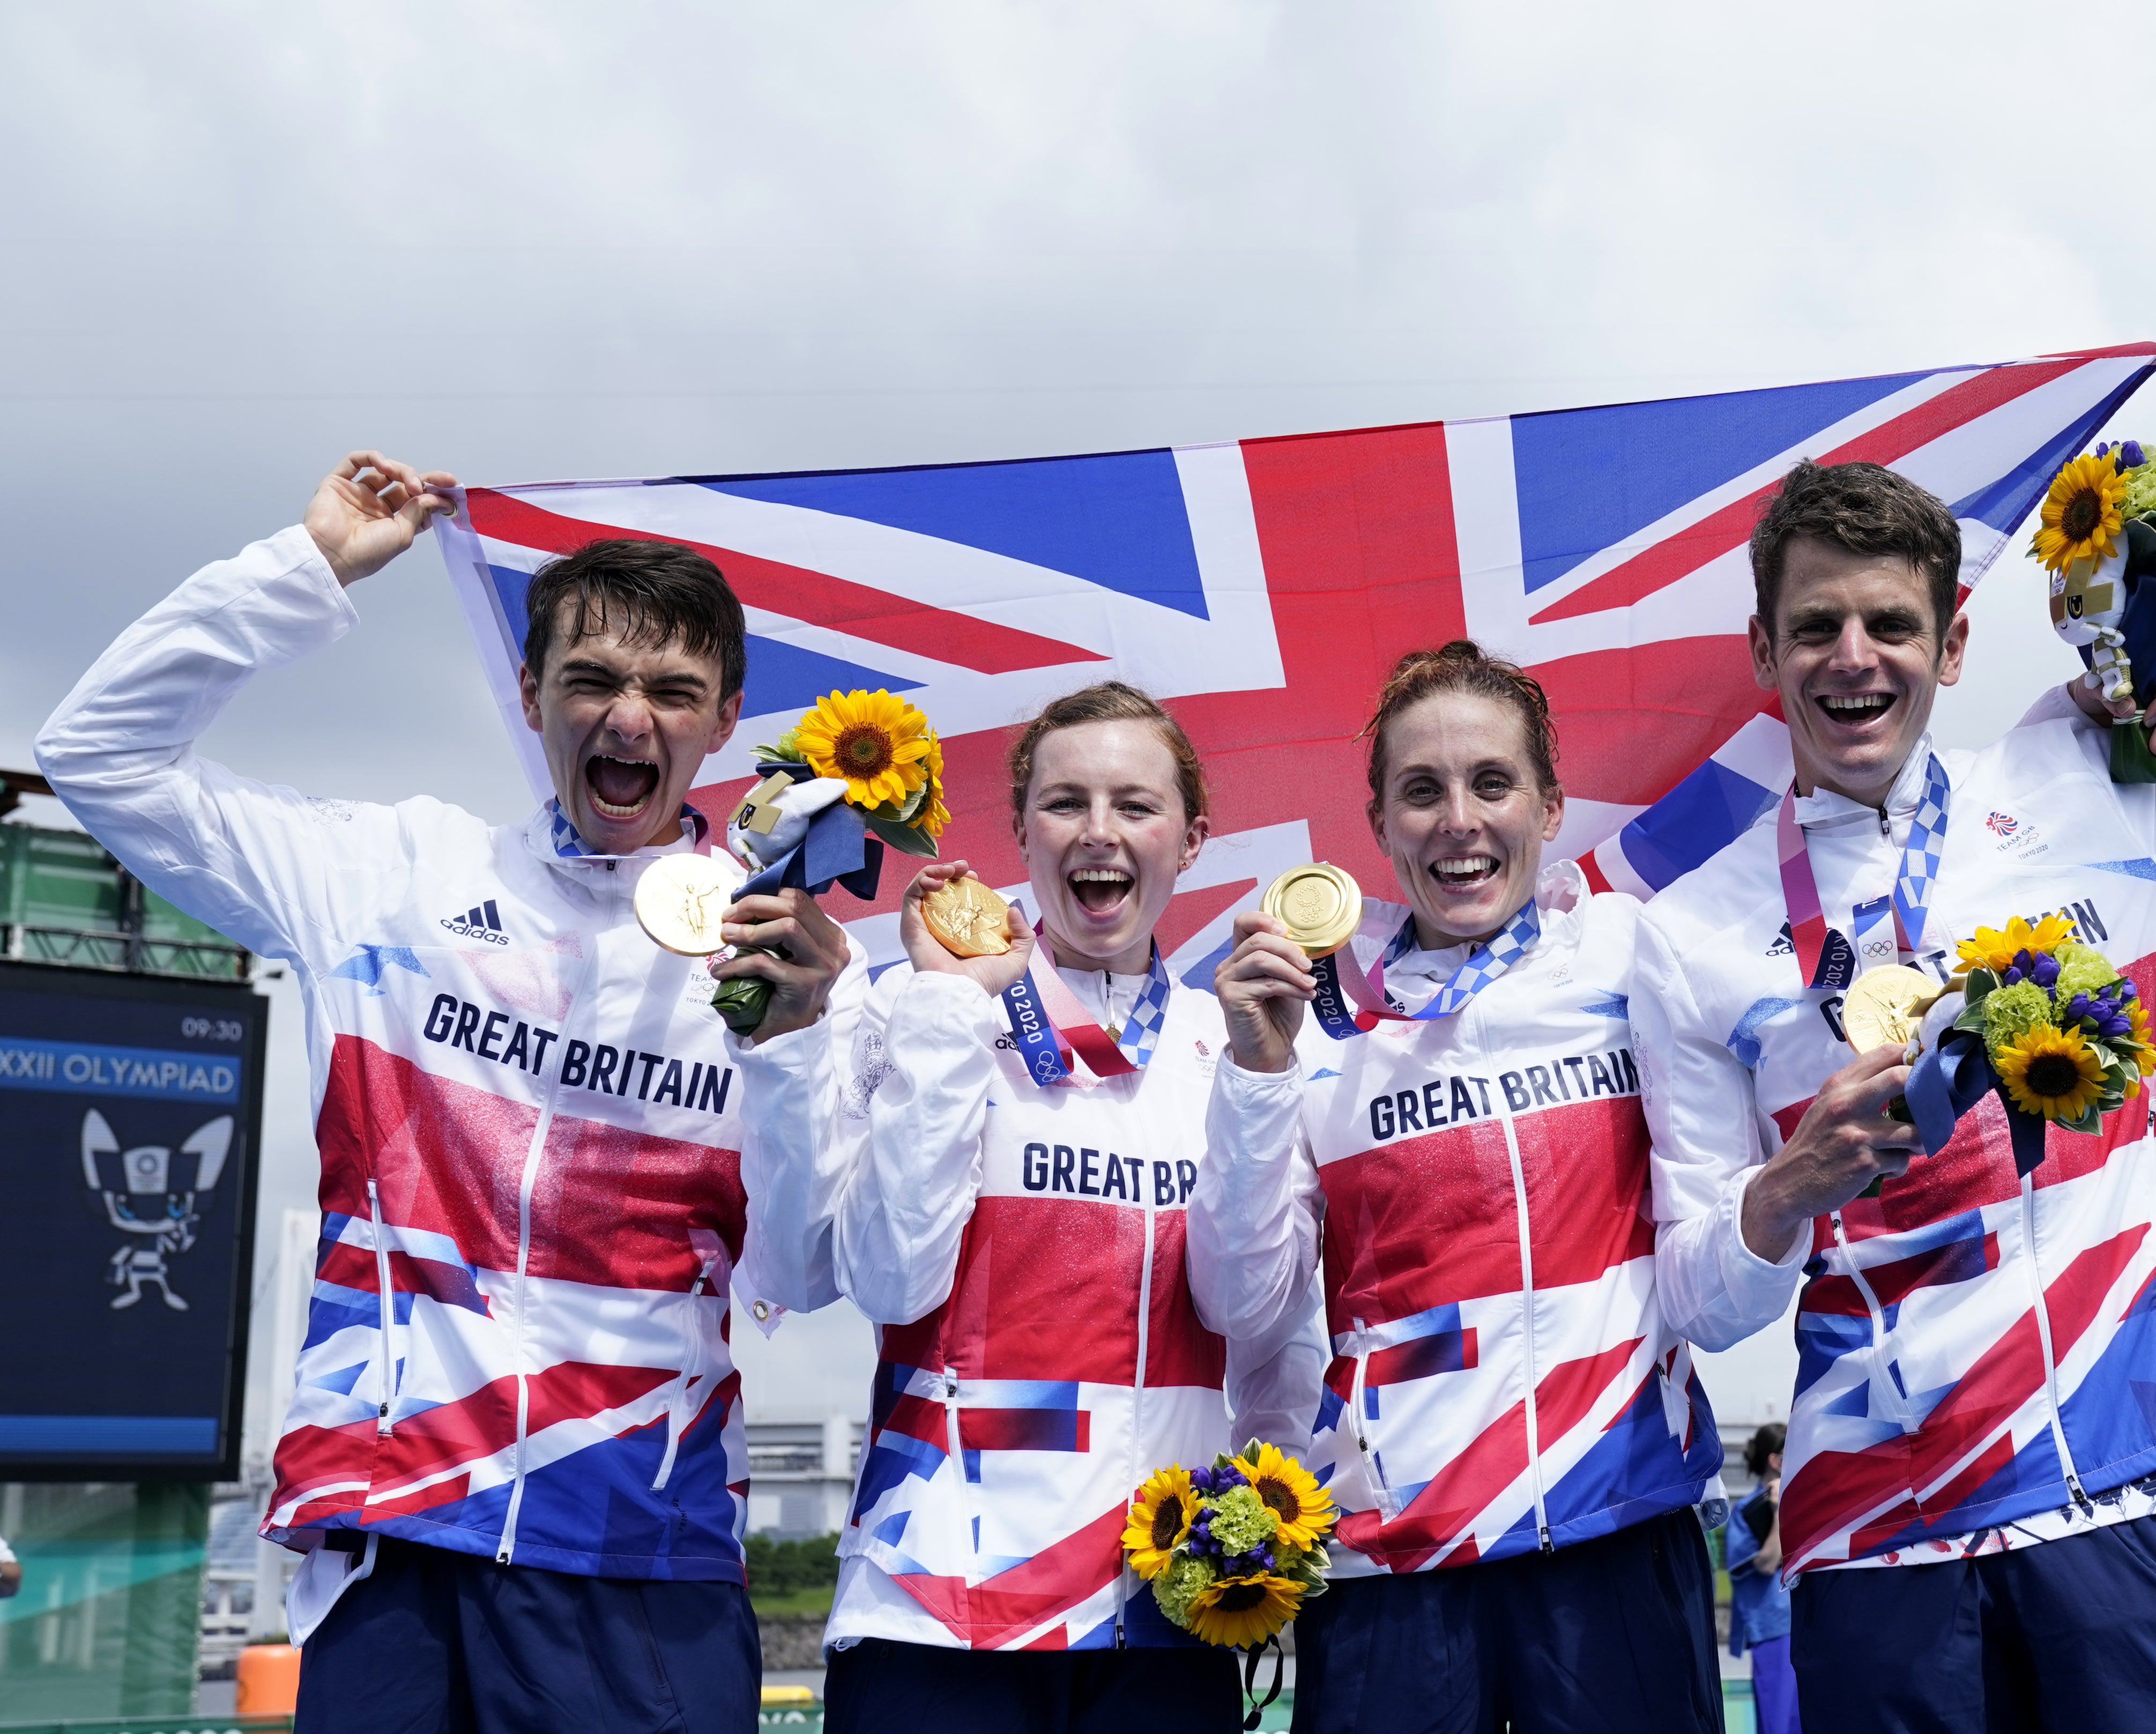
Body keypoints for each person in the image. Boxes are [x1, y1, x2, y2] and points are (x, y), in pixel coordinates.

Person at [1628, 308, 2156, 1733]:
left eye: (1889, 624)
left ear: (1954, 637)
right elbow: (1696, 1296)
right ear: (1764, 648)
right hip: (1882, 1532)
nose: (1852, 659)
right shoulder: (1689, 932)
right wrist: (1796, 1180)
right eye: (1816, 627)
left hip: (2128, 1492)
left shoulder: (2099, 785)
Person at [35, 454, 866, 1733]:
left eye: (670, 690)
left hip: (638, 1544)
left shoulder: (787, 963)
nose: (628, 718)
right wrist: (302, 572)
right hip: (395, 1531)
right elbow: (96, 755)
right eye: (590, 681)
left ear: (725, 718)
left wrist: (797, 1047)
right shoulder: (392, 877)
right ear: (531, 693)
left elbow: (800, 1278)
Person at [1193, 642, 1739, 1734]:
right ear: (1377, 822)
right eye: (1420, 791)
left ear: (1549, 807)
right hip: (1395, 1559)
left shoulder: (1631, 958)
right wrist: (1254, 1075)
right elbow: (1241, 1307)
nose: (1457, 820)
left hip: (1616, 1526)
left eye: (1490, 783)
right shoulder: (1313, 1026)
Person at [806, 683, 1321, 1730]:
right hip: (936, 1606)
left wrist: (1259, 1082)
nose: (1099, 833)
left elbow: (1245, 1312)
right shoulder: (923, 999)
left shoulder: (1239, 1039)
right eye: (1064, 803)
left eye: (1134, 806)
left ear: (1189, 841)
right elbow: (888, 1279)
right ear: (1021, 832)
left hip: (1158, 1611)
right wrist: (953, 1010)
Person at [1727, 1424, 1799, 1734]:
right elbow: (1768, 1563)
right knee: (1780, 1723)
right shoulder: (1745, 1513)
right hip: (1775, 1629)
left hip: (1805, 1624)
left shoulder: (1804, 1503)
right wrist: (1779, 1510)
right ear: (1776, 1461)